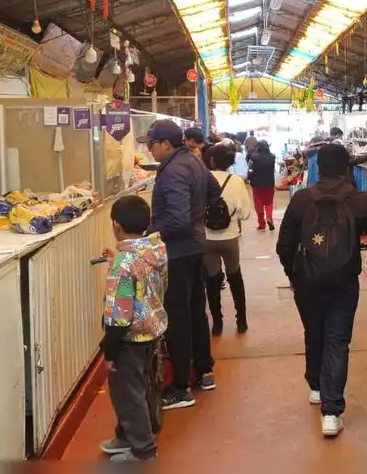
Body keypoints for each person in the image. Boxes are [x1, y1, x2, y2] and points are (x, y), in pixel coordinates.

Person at [276, 143, 367, 438]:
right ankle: (331, 413)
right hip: (344, 283)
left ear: (318, 168)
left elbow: (284, 244)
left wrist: (293, 273)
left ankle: (317, 387)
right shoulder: (359, 200)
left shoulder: (302, 200)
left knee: (314, 332)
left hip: (307, 281)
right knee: (337, 340)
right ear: (347, 168)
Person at [136, 120, 220, 409]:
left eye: (152, 145)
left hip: (178, 254)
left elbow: (177, 219)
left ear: (166, 144)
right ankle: (205, 370)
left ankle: (181, 386)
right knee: (197, 310)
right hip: (197, 247)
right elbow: (214, 190)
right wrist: (199, 216)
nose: (150, 151)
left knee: (178, 317)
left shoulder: (171, 172)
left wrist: (149, 234)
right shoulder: (194, 161)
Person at [97, 195, 168, 462]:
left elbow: (119, 314)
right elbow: (144, 278)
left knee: (128, 395)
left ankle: (143, 450)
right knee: (140, 388)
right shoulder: (155, 249)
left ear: (116, 226)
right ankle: (126, 436)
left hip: (129, 338)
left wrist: (110, 349)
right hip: (152, 330)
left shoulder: (123, 265)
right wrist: (120, 259)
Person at [202, 144, 252, 336]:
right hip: (230, 237)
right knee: (235, 277)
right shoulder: (236, 181)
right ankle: (241, 321)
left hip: (207, 238)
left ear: (211, 160)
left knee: (213, 280)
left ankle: (217, 324)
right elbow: (245, 213)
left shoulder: (203, 180)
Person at [249, 140, 277, 231]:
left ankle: (261, 224)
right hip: (269, 183)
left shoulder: (253, 157)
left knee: (258, 203)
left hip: (256, 184)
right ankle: (269, 218)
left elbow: (250, 170)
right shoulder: (272, 157)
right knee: (269, 203)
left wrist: (250, 178)